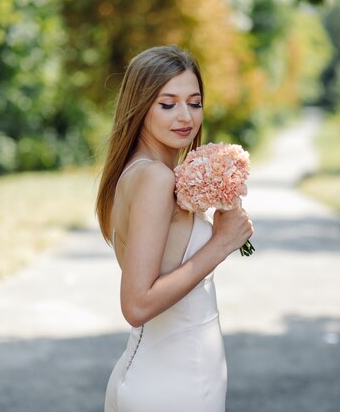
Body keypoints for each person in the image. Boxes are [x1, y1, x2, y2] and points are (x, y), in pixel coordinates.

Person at [95, 45, 254, 412]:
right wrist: (220, 244)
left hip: (164, 375)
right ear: (140, 107)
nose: (185, 116)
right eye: (167, 104)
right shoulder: (154, 178)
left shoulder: (139, 172)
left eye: (194, 102)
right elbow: (136, 305)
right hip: (174, 385)